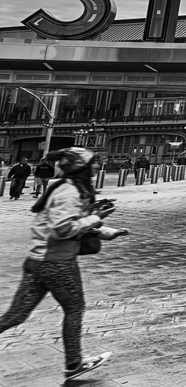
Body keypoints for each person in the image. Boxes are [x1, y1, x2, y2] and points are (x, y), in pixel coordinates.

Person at [0, 147, 126, 382]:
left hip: (38, 262)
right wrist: (98, 217)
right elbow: (64, 229)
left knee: (15, 316)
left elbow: (69, 224)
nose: (97, 167)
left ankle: (74, 362)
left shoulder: (68, 189)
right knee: (75, 309)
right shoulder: (69, 192)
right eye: (94, 163)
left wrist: (108, 232)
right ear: (82, 168)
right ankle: (74, 364)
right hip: (57, 263)